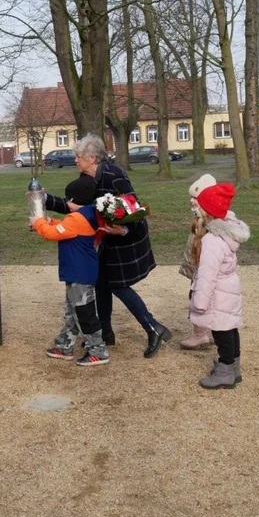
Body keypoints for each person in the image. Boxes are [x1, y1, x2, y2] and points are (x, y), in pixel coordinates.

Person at [45, 134, 171, 358]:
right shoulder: (88, 178)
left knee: (118, 286)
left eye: (79, 156)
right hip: (104, 242)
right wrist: (44, 199)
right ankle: (105, 333)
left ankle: (154, 328)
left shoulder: (114, 177)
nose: (75, 160)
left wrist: (123, 230)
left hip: (125, 240)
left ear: (92, 158)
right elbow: (76, 208)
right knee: (101, 284)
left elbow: (135, 210)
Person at [31, 174, 109, 367]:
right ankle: (64, 344)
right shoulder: (88, 213)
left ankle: (98, 350)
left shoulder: (76, 218)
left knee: (84, 313)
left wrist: (38, 222)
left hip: (79, 274)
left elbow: (51, 234)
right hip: (78, 273)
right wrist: (49, 221)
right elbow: (66, 228)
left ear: (73, 201)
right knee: (73, 311)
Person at [188, 183, 250, 389]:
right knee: (230, 328)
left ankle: (225, 370)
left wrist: (199, 302)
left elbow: (207, 275)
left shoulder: (213, 240)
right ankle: (234, 367)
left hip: (217, 294)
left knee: (221, 333)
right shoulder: (226, 234)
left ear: (208, 211)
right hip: (228, 290)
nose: (197, 208)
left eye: (201, 206)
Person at [178, 174, 217, 349]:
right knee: (202, 299)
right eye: (192, 198)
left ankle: (200, 335)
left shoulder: (212, 224)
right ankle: (211, 332)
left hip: (205, 272)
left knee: (200, 300)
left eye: (196, 198)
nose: (192, 202)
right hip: (197, 269)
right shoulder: (200, 220)